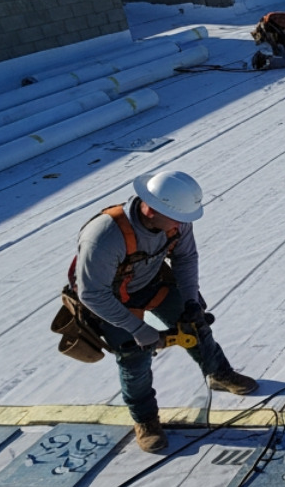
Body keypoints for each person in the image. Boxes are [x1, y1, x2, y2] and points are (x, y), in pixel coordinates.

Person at [68, 171, 255, 452]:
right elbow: (92, 294)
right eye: (177, 218)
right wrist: (140, 330)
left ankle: (219, 373)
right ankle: (145, 420)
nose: (182, 225)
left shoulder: (177, 221)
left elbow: (186, 258)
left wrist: (191, 302)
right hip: (109, 300)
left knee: (195, 325)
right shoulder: (105, 236)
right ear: (151, 209)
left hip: (149, 282)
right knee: (134, 357)